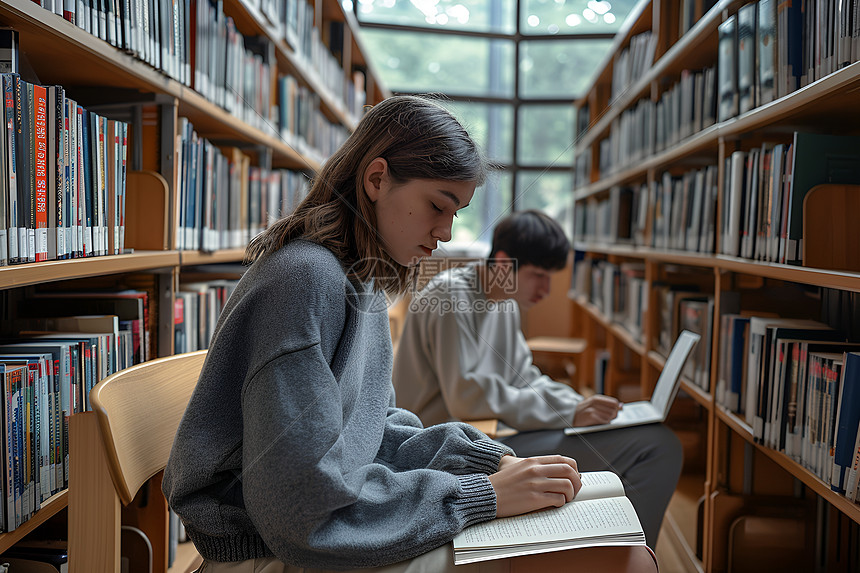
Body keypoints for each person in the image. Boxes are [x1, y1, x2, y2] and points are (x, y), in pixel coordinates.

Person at [161, 96, 587, 573]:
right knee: (603, 555)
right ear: (377, 179)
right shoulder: (306, 282)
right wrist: (477, 495)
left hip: (332, 526)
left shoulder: (360, 281)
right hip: (279, 550)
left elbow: (373, 430)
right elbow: (303, 515)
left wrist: (482, 463)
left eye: (457, 214)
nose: (445, 233)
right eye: (436, 206)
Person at [392, 210, 683, 547]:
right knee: (658, 446)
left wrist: (577, 404)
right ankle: (631, 559)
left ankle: (619, 550)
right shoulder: (450, 297)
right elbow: (468, 398)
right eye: (538, 275)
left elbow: (523, 376)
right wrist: (568, 413)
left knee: (644, 437)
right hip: (451, 449)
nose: (546, 290)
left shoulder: (505, 301)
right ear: (503, 264)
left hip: (489, 433)